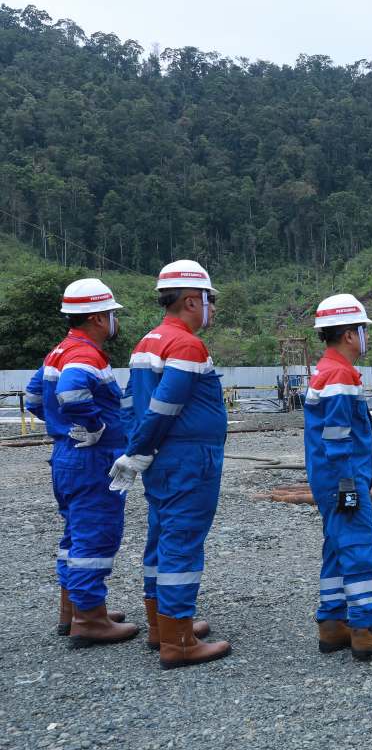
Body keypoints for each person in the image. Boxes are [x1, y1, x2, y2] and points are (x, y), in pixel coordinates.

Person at [110, 259, 229, 669]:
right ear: (193, 301)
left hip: (163, 457)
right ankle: (178, 640)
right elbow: (166, 405)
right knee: (182, 542)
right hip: (188, 458)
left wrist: (137, 448)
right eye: (209, 300)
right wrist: (142, 444)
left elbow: (130, 403)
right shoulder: (186, 344)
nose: (211, 308)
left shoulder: (146, 343)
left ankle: (161, 625)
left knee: (162, 536)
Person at [25, 278, 138, 647]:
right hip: (92, 458)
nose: (113, 321)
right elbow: (72, 393)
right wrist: (94, 424)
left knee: (75, 535)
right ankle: (89, 620)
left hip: (67, 457)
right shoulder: (85, 355)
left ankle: (74, 609)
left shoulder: (57, 352)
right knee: (96, 534)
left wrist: (61, 428)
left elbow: (33, 399)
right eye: (110, 314)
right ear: (96, 318)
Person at [306, 294, 372, 662]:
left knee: (337, 546)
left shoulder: (329, 369)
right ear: (349, 335)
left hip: (332, 478)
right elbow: (337, 439)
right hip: (342, 478)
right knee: (359, 544)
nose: (366, 336)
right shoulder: (339, 374)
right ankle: (365, 630)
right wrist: (348, 485)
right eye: (363, 330)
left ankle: (332, 623)